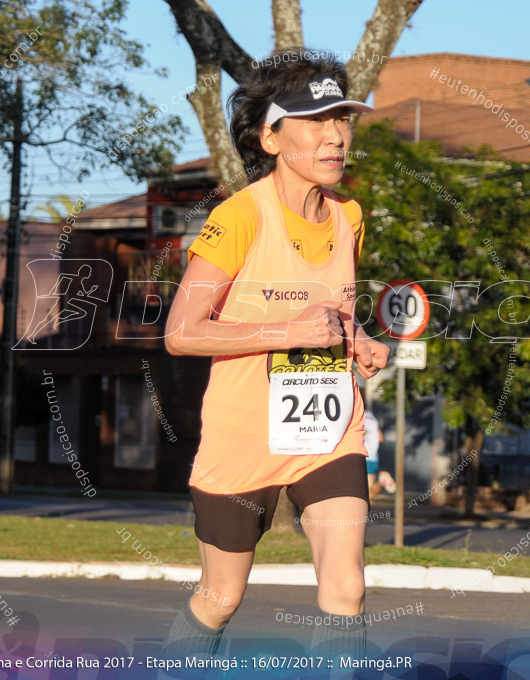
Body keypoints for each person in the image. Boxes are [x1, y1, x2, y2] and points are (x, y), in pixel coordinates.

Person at [164, 49, 390, 662]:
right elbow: (182, 333)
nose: (336, 136)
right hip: (244, 436)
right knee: (220, 596)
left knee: (346, 589)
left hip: (327, 428)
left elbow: (334, 310)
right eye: (316, 121)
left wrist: (358, 339)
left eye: (342, 120)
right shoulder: (239, 217)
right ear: (270, 135)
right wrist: (289, 329)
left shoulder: (349, 217)